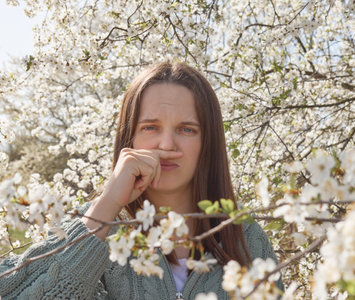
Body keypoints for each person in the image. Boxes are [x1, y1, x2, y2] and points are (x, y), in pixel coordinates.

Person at [0, 62, 282, 299]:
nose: (167, 144)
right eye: (150, 127)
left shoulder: (246, 239)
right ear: (129, 138)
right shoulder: (94, 229)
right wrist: (106, 206)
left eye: (186, 129)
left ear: (208, 142)